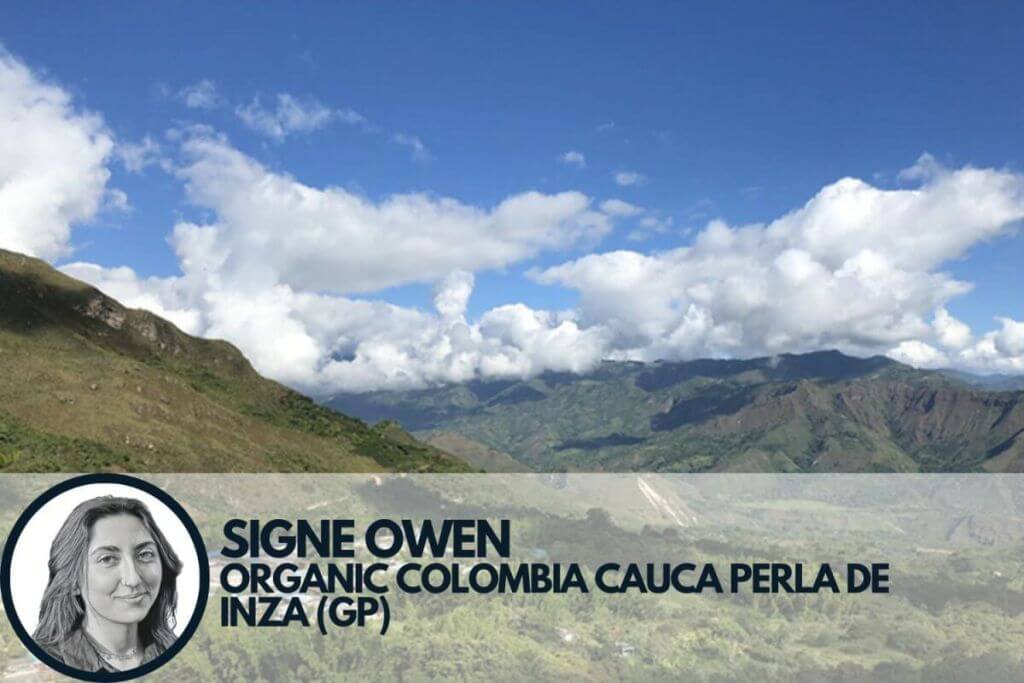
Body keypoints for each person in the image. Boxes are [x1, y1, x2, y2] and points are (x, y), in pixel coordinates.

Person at [32, 496, 183, 672]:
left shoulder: (175, 650)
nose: (133, 579)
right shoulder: (45, 666)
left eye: (144, 554)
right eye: (107, 559)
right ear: (72, 581)